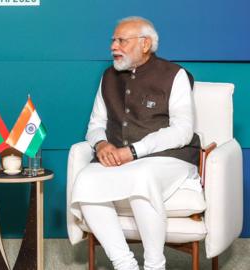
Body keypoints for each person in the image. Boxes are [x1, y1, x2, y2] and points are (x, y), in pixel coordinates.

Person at [70, 16, 201, 270]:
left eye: (121, 40)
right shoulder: (108, 77)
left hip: (171, 158)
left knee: (141, 177)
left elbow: (183, 130)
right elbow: (96, 124)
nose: (113, 46)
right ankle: (124, 264)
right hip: (121, 157)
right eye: (113, 40)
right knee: (85, 180)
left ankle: (155, 265)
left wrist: (134, 151)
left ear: (145, 44)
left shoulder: (176, 75)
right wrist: (101, 145)